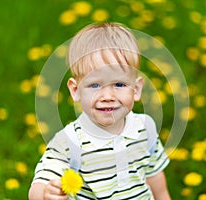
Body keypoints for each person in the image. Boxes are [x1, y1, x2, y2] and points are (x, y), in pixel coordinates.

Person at [29, 22, 171, 200]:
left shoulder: (145, 128)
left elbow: (155, 178)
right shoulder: (69, 142)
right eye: (95, 85)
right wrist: (45, 194)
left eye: (119, 84)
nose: (107, 96)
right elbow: (38, 187)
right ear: (76, 90)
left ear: (136, 89)